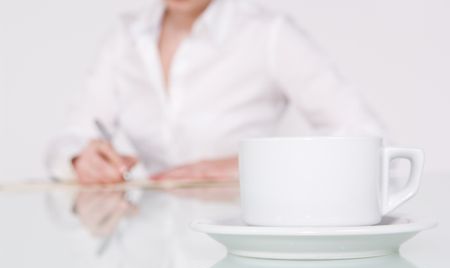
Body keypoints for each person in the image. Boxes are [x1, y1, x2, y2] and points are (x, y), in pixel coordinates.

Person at [46, 0, 383, 185]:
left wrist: (249, 165)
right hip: (144, 253)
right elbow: (71, 136)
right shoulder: (125, 36)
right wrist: (81, 160)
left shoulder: (268, 34)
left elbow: (369, 140)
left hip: (239, 246)